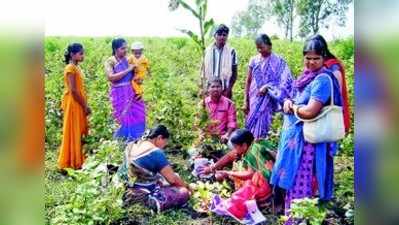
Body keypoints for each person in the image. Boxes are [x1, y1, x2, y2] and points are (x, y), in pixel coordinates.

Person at [270, 38, 342, 224]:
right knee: (297, 181)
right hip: (298, 139)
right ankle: (297, 216)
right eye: (307, 58)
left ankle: (300, 219)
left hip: (308, 143)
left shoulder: (322, 80)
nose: (310, 62)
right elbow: (297, 99)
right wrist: (289, 102)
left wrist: (293, 107)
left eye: (315, 58)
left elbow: (310, 111)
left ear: (323, 57)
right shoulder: (306, 77)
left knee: (302, 180)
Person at [202, 129, 275, 221]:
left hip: (265, 186)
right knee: (245, 183)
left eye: (236, 147)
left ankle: (232, 208)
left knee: (246, 188)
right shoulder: (256, 144)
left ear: (244, 145)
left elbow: (249, 174)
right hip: (269, 182)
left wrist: (228, 173)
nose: (234, 149)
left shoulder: (251, 153)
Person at [120, 125, 191, 213]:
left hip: (123, 191)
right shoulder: (155, 152)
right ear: (159, 138)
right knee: (183, 192)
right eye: (165, 143)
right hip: (140, 198)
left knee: (162, 180)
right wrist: (187, 188)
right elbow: (172, 180)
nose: (164, 147)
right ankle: (147, 206)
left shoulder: (131, 145)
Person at [244, 34, 294, 140]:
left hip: (269, 99)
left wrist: (267, 87)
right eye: (257, 47)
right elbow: (248, 81)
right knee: (251, 123)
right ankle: (250, 148)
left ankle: (262, 145)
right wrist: (246, 101)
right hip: (254, 97)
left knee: (265, 125)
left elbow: (285, 81)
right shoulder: (254, 60)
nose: (259, 50)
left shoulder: (279, 61)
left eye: (261, 47)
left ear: (269, 46)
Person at [104, 38, 146, 141]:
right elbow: (111, 77)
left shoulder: (129, 60)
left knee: (139, 114)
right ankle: (122, 141)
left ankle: (135, 139)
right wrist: (128, 69)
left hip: (131, 92)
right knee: (123, 118)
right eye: (122, 48)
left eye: (126, 48)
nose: (125, 50)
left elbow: (135, 75)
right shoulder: (110, 61)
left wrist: (139, 79)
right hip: (119, 94)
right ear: (115, 49)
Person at [58, 43, 91, 170]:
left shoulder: (76, 67)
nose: (83, 56)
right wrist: (84, 105)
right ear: (72, 54)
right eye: (80, 53)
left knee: (78, 129)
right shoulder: (70, 68)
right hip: (74, 102)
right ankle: (71, 161)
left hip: (77, 101)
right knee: (73, 129)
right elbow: (73, 90)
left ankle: (77, 158)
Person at [310, 34, 352, 133]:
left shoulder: (333, 67)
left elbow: (337, 92)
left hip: (327, 114)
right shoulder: (315, 64)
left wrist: (314, 105)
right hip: (316, 113)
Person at [203, 24, 238, 99]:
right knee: (209, 110)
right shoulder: (207, 51)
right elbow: (203, 70)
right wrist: (203, 88)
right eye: (219, 34)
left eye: (224, 35)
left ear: (227, 37)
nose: (222, 37)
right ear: (214, 35)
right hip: (210, 89)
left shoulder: (232, 51)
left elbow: (234, 73)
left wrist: (229, 89)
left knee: (224, 110)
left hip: (225, 90)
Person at [204, 78, 237, 143]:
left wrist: (227, 135)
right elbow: (199, 122)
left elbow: (232, 122)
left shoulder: (229, 103)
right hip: (207, 136)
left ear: (222, 88)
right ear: (208, 89)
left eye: (218, 86)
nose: (215, 89)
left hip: (224, 136)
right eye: (213, 87)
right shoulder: (203, 103)